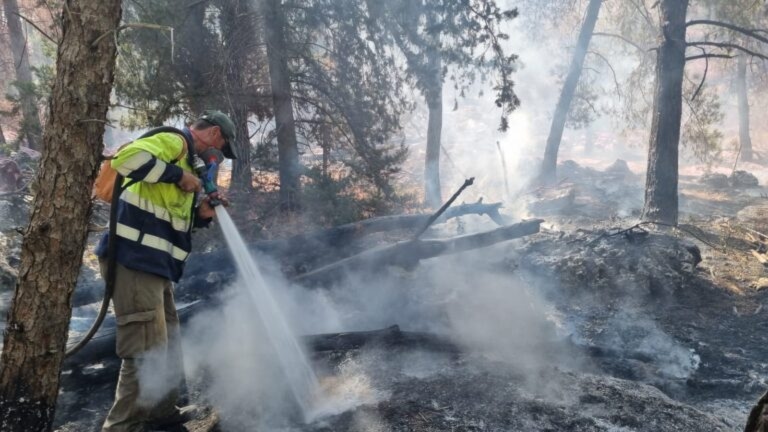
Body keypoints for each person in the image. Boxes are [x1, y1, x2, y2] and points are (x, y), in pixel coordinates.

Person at [95, 110, 238, 432]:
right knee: (144, 348)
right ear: (214, 134)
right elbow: (126, 158)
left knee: (167, 341)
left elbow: (168, 219)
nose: (217, 156)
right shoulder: (175, 142)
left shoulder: (184, 162)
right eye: (221, 148)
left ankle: (161, 414)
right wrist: (176, 175)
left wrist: (201, 214)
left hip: (153, 266)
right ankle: (122, 427)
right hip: (133, 260)